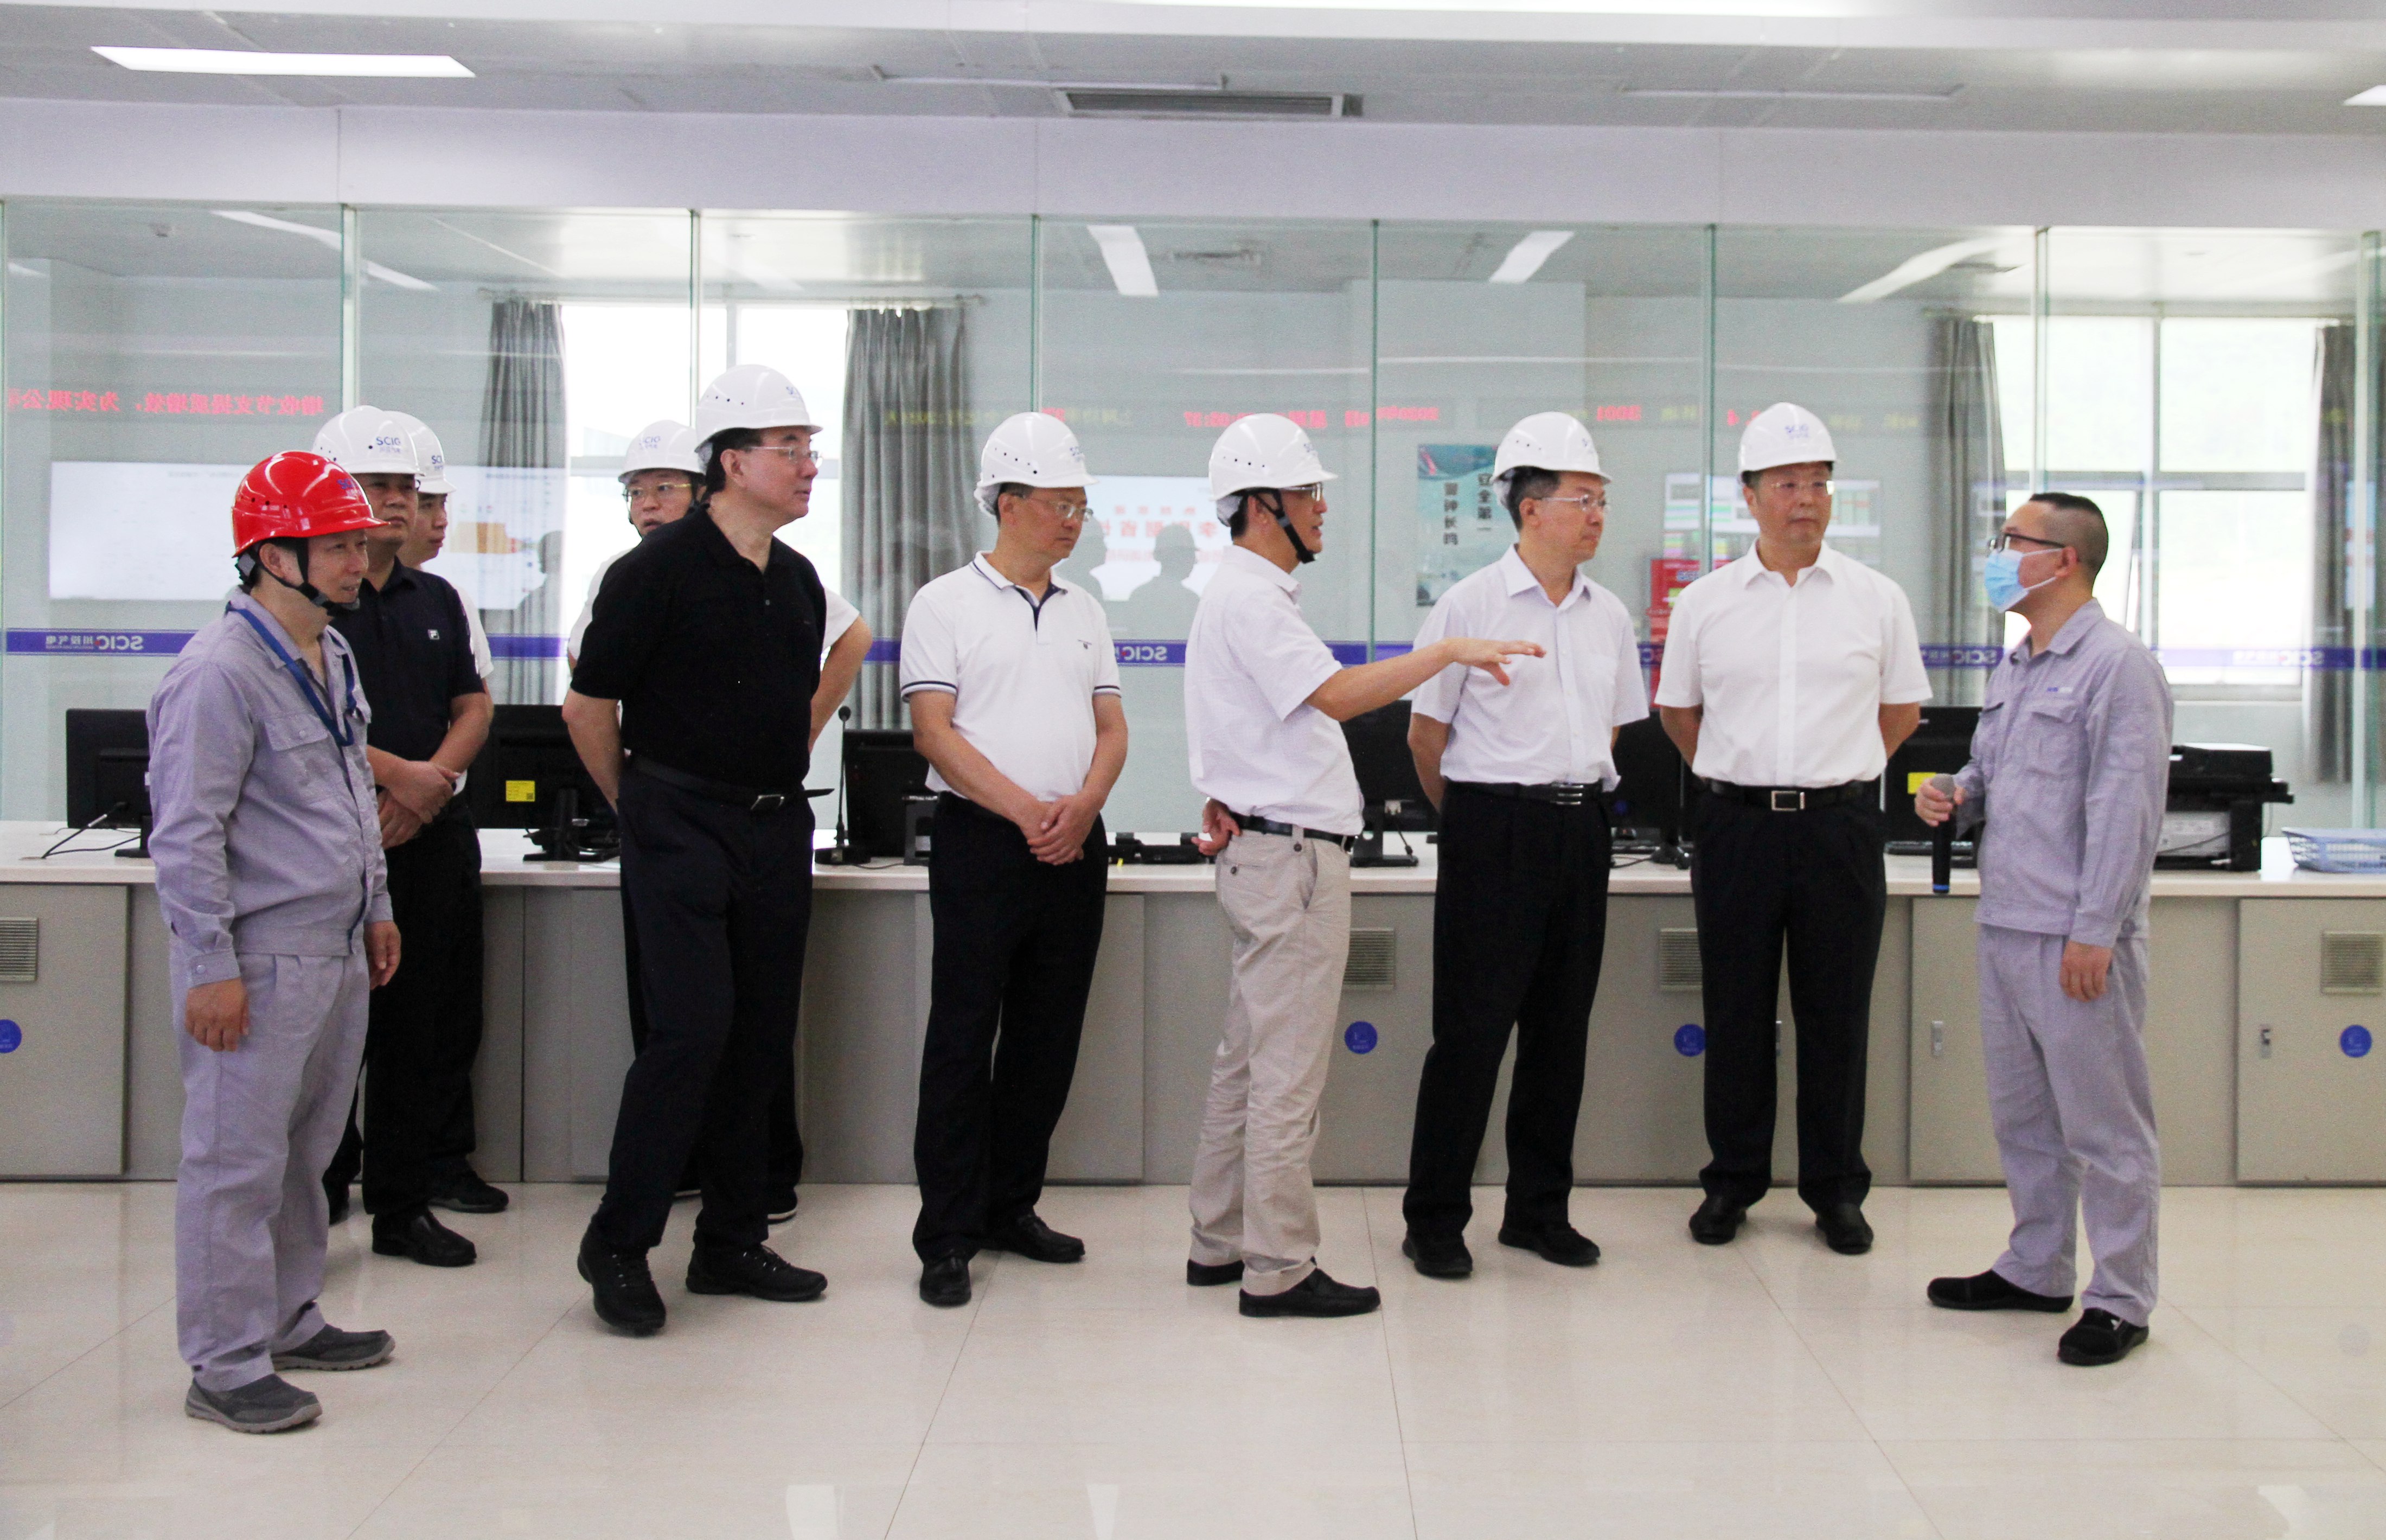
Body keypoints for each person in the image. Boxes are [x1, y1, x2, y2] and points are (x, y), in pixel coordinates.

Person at [1184, 413, 1541, 1319]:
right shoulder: (1252, 598)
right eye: (1309, 493)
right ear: (1262, 505)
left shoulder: (1244, 595)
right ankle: (1277, 1267)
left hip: (1268, 850)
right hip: (1290, 863)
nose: (1321, 509)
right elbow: (1338, 696)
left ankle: (1219, 1240)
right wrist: (1448, 650)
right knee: (1286, 1075)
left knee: (1247, 1061)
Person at [563, 363, 835, 1337]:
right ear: (732, 463)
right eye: (789, 448)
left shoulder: (797, 581)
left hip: (774, 826)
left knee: (760, 1037)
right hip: (678, 821)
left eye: (810, 448)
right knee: (689, 1033)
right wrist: (637, 808)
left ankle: (729, 1240)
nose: (809, 465)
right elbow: (588, 707)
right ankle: (619, 1242)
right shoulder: (655, 572)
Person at [151, 452, 403, 1433]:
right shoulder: (218, 673)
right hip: (257, 959)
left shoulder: (331, 654)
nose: (356, 562)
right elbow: (187, 835)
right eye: (336, 545)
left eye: (359, 544)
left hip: (333, 950)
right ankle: (223, 1364)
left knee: (307, 1155)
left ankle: (290, 1318)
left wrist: (377, 905)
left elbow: (350, 793)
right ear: (270, 554)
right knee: (235, 1163)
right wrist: (208, 969)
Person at [1654, 402, 1928, 1255]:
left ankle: (1836, 1190)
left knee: (1836, 1017)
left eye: (1818, 483)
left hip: (1839, 831)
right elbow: (1678, 713)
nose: (1805, 499)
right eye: (1786, 484)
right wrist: (1739, 775)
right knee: (1736, 1013)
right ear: (1749, 497)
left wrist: (1836, 774)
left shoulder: (1877, 600)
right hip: (1736, 830)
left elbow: (1901, 713)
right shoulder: (1704, 603)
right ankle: (1732, 1183)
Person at [1917, 492, 2171, 1368]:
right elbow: (1992, 774)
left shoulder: (2118, 667)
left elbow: (2127, 811)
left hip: (2076, 936)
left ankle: (2121, 1297)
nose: (1997, 555)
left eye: (2011, 541)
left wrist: (2096, 930)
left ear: (2062, 559)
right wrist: (1952, 793)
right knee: (2026, 1118)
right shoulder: (2019, 663)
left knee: (2105, 1127)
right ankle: (2036, 1266)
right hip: (2007, 920)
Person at [1399, 413, 1647, 1279]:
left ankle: (1539, 1212)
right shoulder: (1469, 605)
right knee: (1470, 1034)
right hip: (1493, 829)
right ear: (1531, 508)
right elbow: (1426, 737)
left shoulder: (1609, 615)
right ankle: (1435, 1218)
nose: (1597, 515)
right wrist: (1476, 820)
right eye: (1583, 499)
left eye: (1602, 499)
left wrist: (1569, 800)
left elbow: (1613, 730)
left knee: (1560, 1033)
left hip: (1581, 829)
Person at [900, 413, 1128, 1308]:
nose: (1073, 520)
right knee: (963, 1037)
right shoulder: (944, 603)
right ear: (1006, 503)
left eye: (1080, 506)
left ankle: (1011, 1206)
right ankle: (947, 1234)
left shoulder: (1085, 610)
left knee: (1047, 1037)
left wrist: (1085, 806)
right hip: (984, 841)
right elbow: (934, 733)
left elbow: (1112, 729)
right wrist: (1028, 810)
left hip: (1075, 842)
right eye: (1058, 503)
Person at [311, 406, 496, 1268]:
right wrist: (398, 779)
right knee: (328, 1033)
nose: (394, 501)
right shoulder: (310, 604)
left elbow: (473, 705)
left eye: (404, 487)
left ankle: (402, 1206)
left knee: (420, 1031)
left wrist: (432, 787)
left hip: (430, 842)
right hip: (335, 848)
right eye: (374, 485)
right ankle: (315, 1189)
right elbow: (313, 717)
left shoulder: (438, 599)